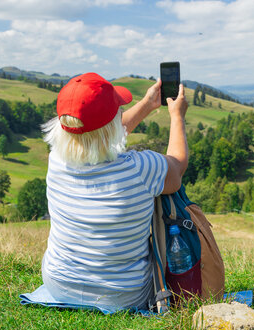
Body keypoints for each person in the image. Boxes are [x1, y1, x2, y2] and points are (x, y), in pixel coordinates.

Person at [20, 72, 188, 313]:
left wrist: (147, 105)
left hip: (59, 284)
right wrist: (176, 117)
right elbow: (177, 167)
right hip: (124, 295)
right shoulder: (141, 168)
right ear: (113, 125)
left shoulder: (55, 160)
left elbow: (92, 135)